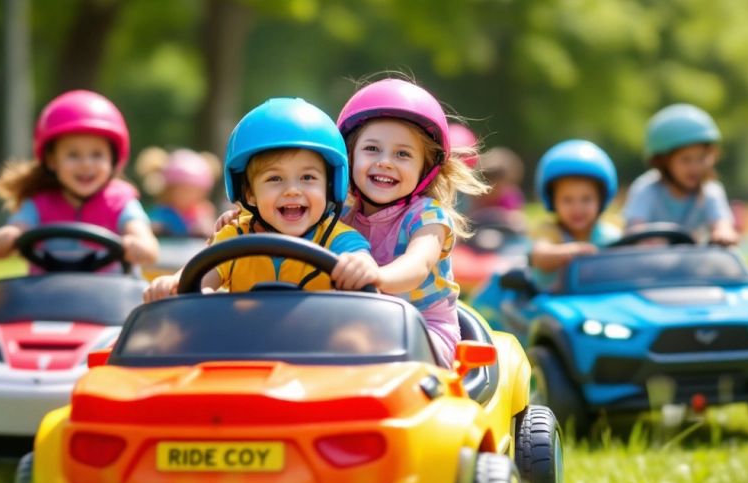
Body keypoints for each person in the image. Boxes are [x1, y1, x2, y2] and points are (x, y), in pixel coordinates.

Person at [142, 97, 378, 300]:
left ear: (329, 186)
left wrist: (361, 266)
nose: (292, 190)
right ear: (249, 194)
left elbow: (362, 263)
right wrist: (173, 285)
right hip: (243, 348)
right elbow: (197, 278)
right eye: (275, 179)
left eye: (307, 177)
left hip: (319, 349)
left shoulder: (339, 240)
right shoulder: (234, 239)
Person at [336, 78, 490, 366]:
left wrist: (377, 276)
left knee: (392, 354)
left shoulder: (427, 216)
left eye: (403, 154)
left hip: (422, 328)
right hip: (358, 325)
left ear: (426, 168)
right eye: (371, 149)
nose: (385, 162)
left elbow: (417, 265)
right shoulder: (340, 217)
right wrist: (244, 221)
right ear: (349, 157)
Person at [0, 90, 159, 272]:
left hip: (111, 296)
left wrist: (139, 244)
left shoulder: (121, 203)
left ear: (112, 160)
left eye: (97, 154)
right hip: (48, 295)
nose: (86, 164)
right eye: (73, 155)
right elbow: (14, 232)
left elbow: (148, 245)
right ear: (52, 160)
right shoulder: (38, 203)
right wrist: (7, 237)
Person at [622, 103, 738, 245]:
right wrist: (645, 238)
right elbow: (635, 228)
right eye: (686, 160)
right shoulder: (646, 189)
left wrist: (722, 232)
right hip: (651, 263)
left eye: (701, 158)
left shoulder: (710, 191)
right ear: (664, 162)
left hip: (693, 264)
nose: (695, 167)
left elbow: (722, 223)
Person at [529, 139, 622, 290]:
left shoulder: (608, 234)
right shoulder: (550, 232)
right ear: (553, 201)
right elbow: (540, 255)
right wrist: (571, 251)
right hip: (552, 303)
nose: (577, 208)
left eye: (586, 199)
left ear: (601, 200)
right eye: (567, 200)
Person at [135, 147, 219, 237]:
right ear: (169, 191)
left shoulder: (202, 211)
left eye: (193, 191)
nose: (188, 195)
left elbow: (213, 231)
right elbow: (148, 228)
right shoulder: (162, 211)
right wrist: (158, 228)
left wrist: (205, 229)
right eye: (183, 190)